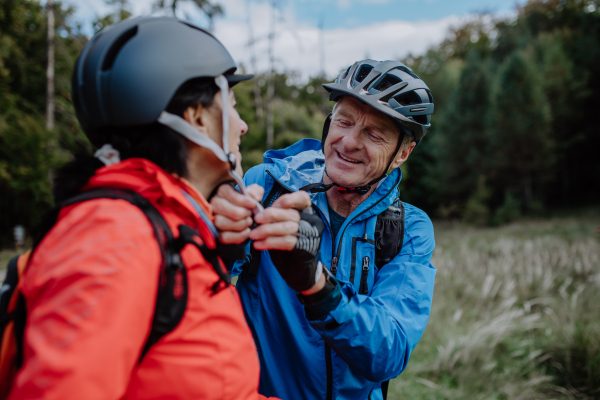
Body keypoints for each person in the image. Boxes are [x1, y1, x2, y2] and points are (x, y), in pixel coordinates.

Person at [7, 17, 277, 400]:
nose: (243, 126)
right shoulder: (115, 235)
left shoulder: (170, 229)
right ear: (197, 117)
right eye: (232, 106)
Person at [212, 60, 437, 400]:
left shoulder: (407, 229)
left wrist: (318, 289)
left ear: (402, 153)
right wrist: (219, 247)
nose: (348, 142)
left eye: (374, 134)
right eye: (344, 121)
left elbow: (388, 353)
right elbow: (200, 285)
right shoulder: (268, 187)